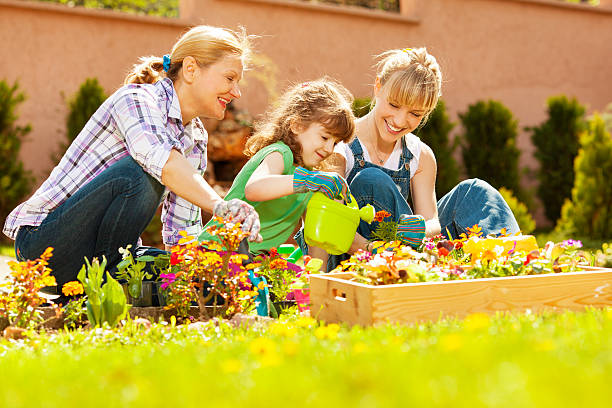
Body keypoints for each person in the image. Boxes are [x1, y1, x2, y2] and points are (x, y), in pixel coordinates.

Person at [3, 25, 262, 292]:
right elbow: (162, 161)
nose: (236, 92)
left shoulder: (195, 139)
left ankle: (111, 280)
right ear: (191, 69)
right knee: (137, 173)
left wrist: (208, 268)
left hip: (98, 257)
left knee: (187, 270)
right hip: (46, 249)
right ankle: (111, 280)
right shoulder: (136, 99)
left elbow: (183, 232)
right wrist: (220, 206)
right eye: (230, 78)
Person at [305, 47, 520, 270]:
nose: (399, 121)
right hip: (351, 255)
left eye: (415, 114)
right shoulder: (339, 146)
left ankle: (513, 268)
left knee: (475, 191)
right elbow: (328, 227)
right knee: (371, 180)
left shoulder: (421, 156)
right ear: (378, 87)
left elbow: (432, 222)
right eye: (394, 105)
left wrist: (422, 229)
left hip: (403, 253)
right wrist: (319, 286)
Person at [198, 78, 355, 255]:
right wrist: (310, 181)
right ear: (296, 125)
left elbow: (315, 239)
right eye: (325, 138)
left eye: (335, 144)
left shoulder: (309, 176)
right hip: (218, 252)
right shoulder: (280, 154)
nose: (328, 149)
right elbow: (254, 188)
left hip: (254, 259)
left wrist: (316, 277)